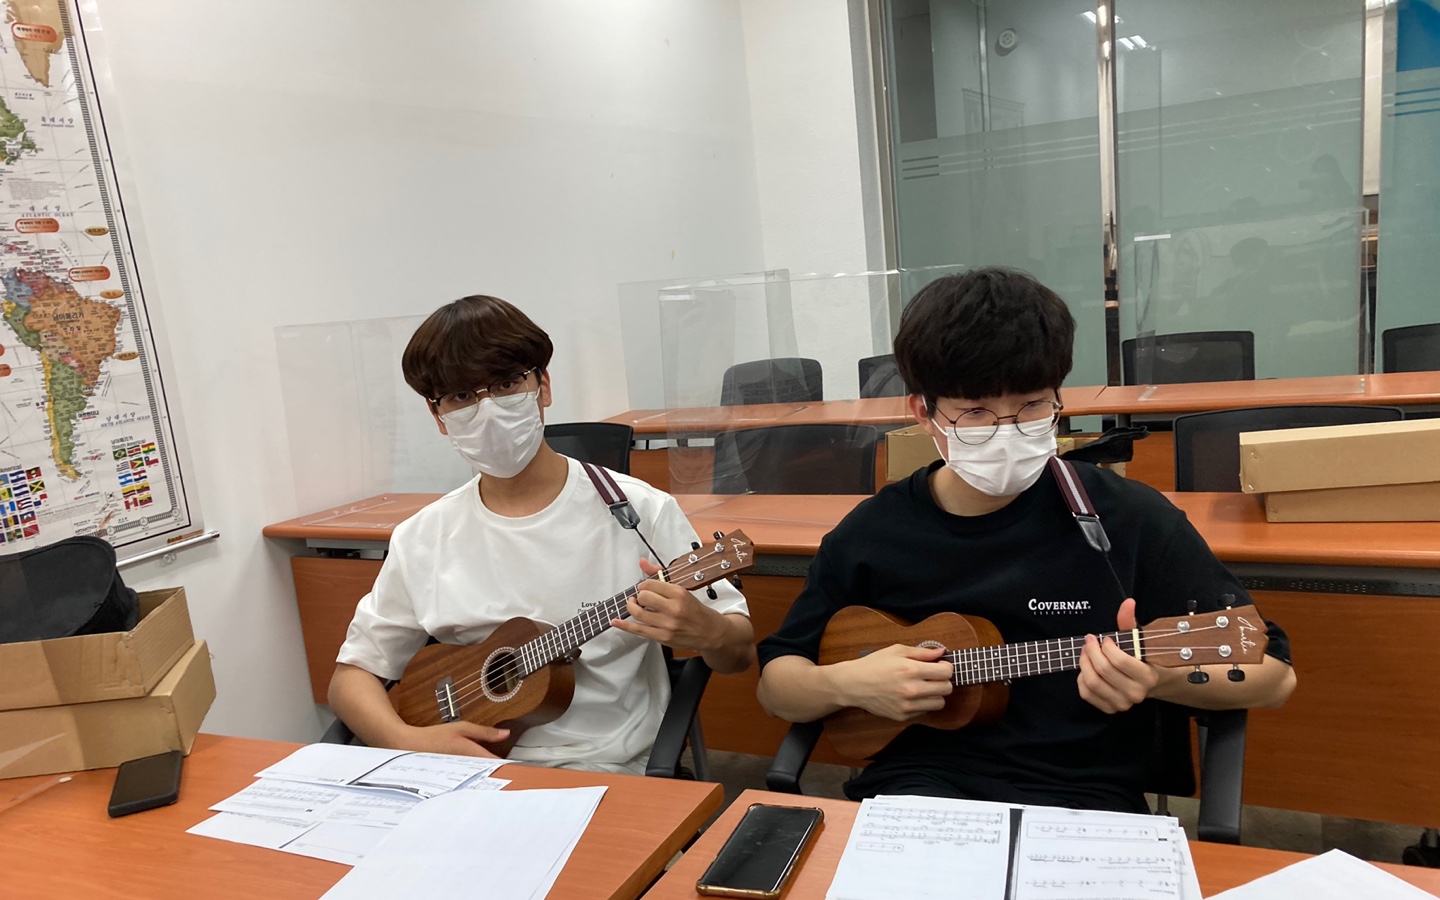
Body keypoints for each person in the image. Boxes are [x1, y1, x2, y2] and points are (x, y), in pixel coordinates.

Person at [756, 268, 1296, 811]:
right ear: (924, 412)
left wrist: (1158, 680)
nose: (1008, 430)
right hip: (915, 790)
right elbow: (777, 686)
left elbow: (1274, 676)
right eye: (975, 412)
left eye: (1033, 406)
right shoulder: (871, 532)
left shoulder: (1129, 518)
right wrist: (849, 686)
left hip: (1083, 798)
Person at [329, 295, 755, 771]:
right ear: (438, 417)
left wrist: (708, 632)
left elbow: (738, 653)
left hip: (607, 769)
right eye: (461, 397)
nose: (488, 411)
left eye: (506, 385)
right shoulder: (423, 535)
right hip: (460, 770)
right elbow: (352, 677)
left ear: (543, 387)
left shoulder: (640, 510)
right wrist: (408, 740)